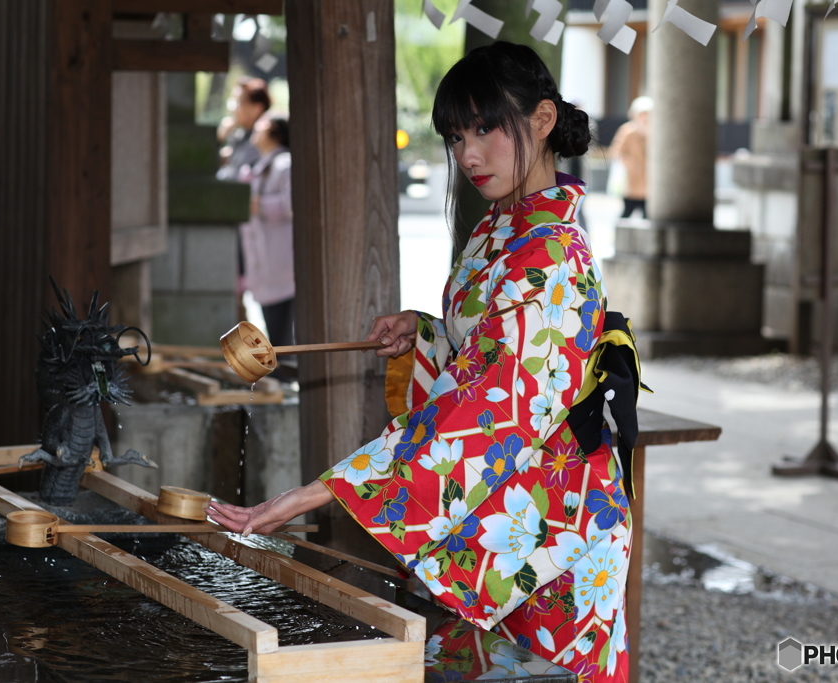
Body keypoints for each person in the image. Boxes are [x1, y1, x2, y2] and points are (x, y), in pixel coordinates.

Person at [208, 41, 633, 683]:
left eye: (487, 128)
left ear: (543, 119)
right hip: (511, 505)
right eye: (457, 135)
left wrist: (324, 490)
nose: (468, 154)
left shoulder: (548, 255)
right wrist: (428, 334)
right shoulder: (503, 226)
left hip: (556, 524)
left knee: (544, 672)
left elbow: (490, 405)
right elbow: (495, 349)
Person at [239, 113, 294, 348]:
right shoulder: (260, 163)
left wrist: (259, 205)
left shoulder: (284, 164)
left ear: (275, 133)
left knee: (281, 322)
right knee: (271, 319)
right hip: (265, 256)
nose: (257, 127)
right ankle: (279, 366)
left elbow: (292, 204)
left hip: (279, 256)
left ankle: (283, 367)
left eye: (263, 125)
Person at [216, 77, 271, 182]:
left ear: (256, 108)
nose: (232, 108)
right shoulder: (239, 135)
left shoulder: (264, 139)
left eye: (238, 102)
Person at [609, 96, 651, 219]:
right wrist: (628, 164)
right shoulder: (627, 130)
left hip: (647, 182)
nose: (645, 117)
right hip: (631, 180)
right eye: (642, 114)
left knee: (647, 215)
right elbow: (616, 151)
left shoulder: (653, 131)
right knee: (627, 212)